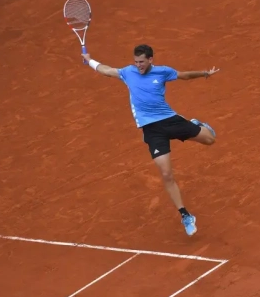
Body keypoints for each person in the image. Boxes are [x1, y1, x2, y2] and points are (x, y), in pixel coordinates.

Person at [81, 44, 218, 235]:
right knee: (167, 174)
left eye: (142, 62)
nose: (139, 66)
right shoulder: (128, 72)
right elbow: (107, 71)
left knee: (210, 140)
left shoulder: (163, 72)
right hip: (152, 131)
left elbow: (184, 75)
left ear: (151, 59)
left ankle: (196, 124)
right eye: (136, 62)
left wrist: (204, 73)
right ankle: (185, 215)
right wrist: (90, 61)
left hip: (170, 120)